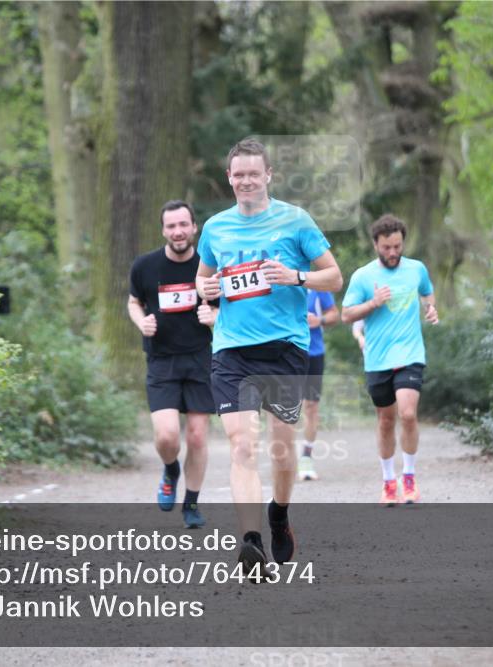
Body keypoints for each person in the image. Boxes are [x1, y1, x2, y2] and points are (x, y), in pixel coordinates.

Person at [195, 137, 343, 574]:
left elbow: (334, 278)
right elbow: (202, 284)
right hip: (231, 350)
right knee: (242, 445)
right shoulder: (215, 228)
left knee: (281, 449)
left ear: (268, 176)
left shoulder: (296, 221)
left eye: (253, 174)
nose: (245, 181)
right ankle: (251, 541)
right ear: (229, 178)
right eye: (238, 175)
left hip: (284, 349)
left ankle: (278, 513)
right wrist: (206, 292)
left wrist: (297, 276)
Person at [128, 200, 218, 529]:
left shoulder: (209, 267)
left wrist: (215, 316)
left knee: (196, 437)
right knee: (167, 437)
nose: (178, 232)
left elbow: (228, 309)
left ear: (194, 227)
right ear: (163, 230)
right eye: (171, 226)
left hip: (200, 359)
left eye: (183, 225)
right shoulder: (145, 266)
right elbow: (134, 302)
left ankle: (191, 505)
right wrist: (141, 322)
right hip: (162, 360)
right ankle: (170, 469)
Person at [341, 214, 438, 506]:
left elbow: (427, 293)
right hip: (378, 358)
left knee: (407, 414)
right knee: (386, 420)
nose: (393, 253)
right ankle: (388, 481)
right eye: (386, 247)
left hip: (410, 354)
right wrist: (373, 303)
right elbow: (346, 315)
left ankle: (409, 478)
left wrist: (431, 310)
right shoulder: (362, 277)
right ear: (375, 245)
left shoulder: (416, 269)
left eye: (397, 246)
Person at [298, 289, 338, 481]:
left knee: (311, 406)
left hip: (313, 354)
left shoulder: (317, 287)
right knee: (280, 408)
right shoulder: (275, 282)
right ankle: (284, 458)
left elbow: (334, 315)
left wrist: (319, 321)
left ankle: (306, 458)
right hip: (284, 353)